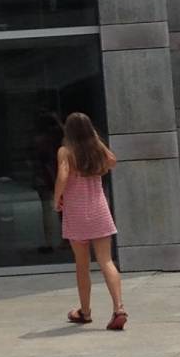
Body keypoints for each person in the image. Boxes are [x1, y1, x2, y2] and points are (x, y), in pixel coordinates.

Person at [55, 111, 127, 330]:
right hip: (99, 211)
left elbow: (63, 175)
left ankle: (85, 311)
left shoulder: (66, 152)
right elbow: (113, 161)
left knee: (82, 264)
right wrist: (96, 140)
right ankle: (119, 308)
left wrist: (56, 197)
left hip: (76, 212)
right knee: (106, 260)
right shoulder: (95, 150)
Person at [30, 111, 63, 255]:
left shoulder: (39, 140)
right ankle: (66, 239)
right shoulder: (59, 138)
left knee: (47, 210)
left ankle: (49, 241)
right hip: (57, 173)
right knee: (62, 208)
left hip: (45, 176)